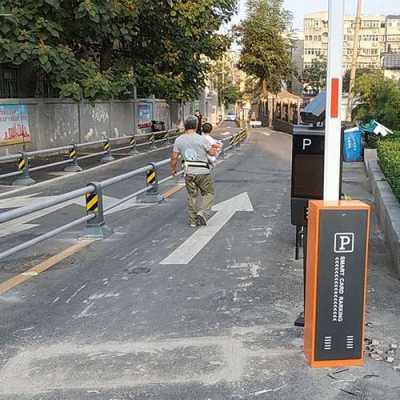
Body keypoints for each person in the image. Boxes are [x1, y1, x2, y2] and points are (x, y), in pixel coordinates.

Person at [170, 116, 218, 227]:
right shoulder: (202, 139)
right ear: (196, 126)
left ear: (185, 126)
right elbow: (211, 153)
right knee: (209, 193)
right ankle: (203, 212)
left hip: (189, 172)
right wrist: (214, 149)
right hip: (203, 172)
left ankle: (193, 221)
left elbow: (174, 157)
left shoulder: (179, 140)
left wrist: (173, 169)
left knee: (192, 196)